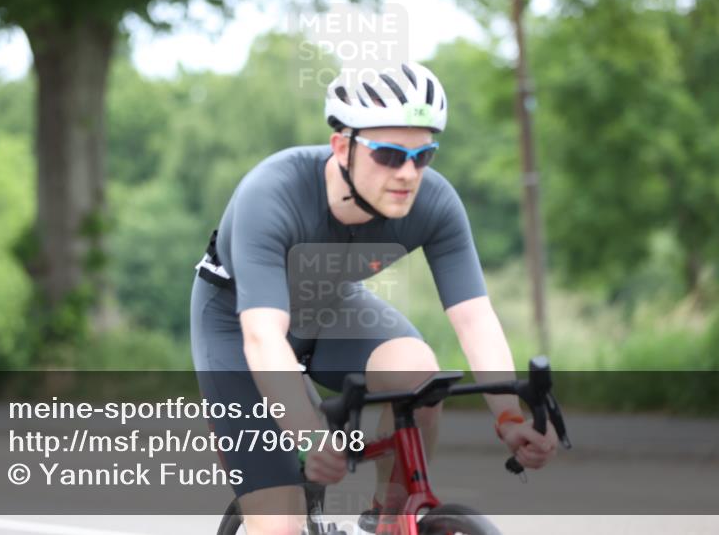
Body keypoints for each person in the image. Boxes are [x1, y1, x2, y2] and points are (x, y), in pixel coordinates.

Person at [190, 62, 558, 535]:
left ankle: (388, 518)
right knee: (279, 526)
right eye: (387, 155)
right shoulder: (272, 192)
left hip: (331, 309)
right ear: (342, 146)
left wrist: (509, 416)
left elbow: (475, 320)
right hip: (235, 322)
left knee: (418, 370)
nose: (407, 174)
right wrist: (308, 435)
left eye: (422, 156)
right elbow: (262, 338)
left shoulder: (436, 203)